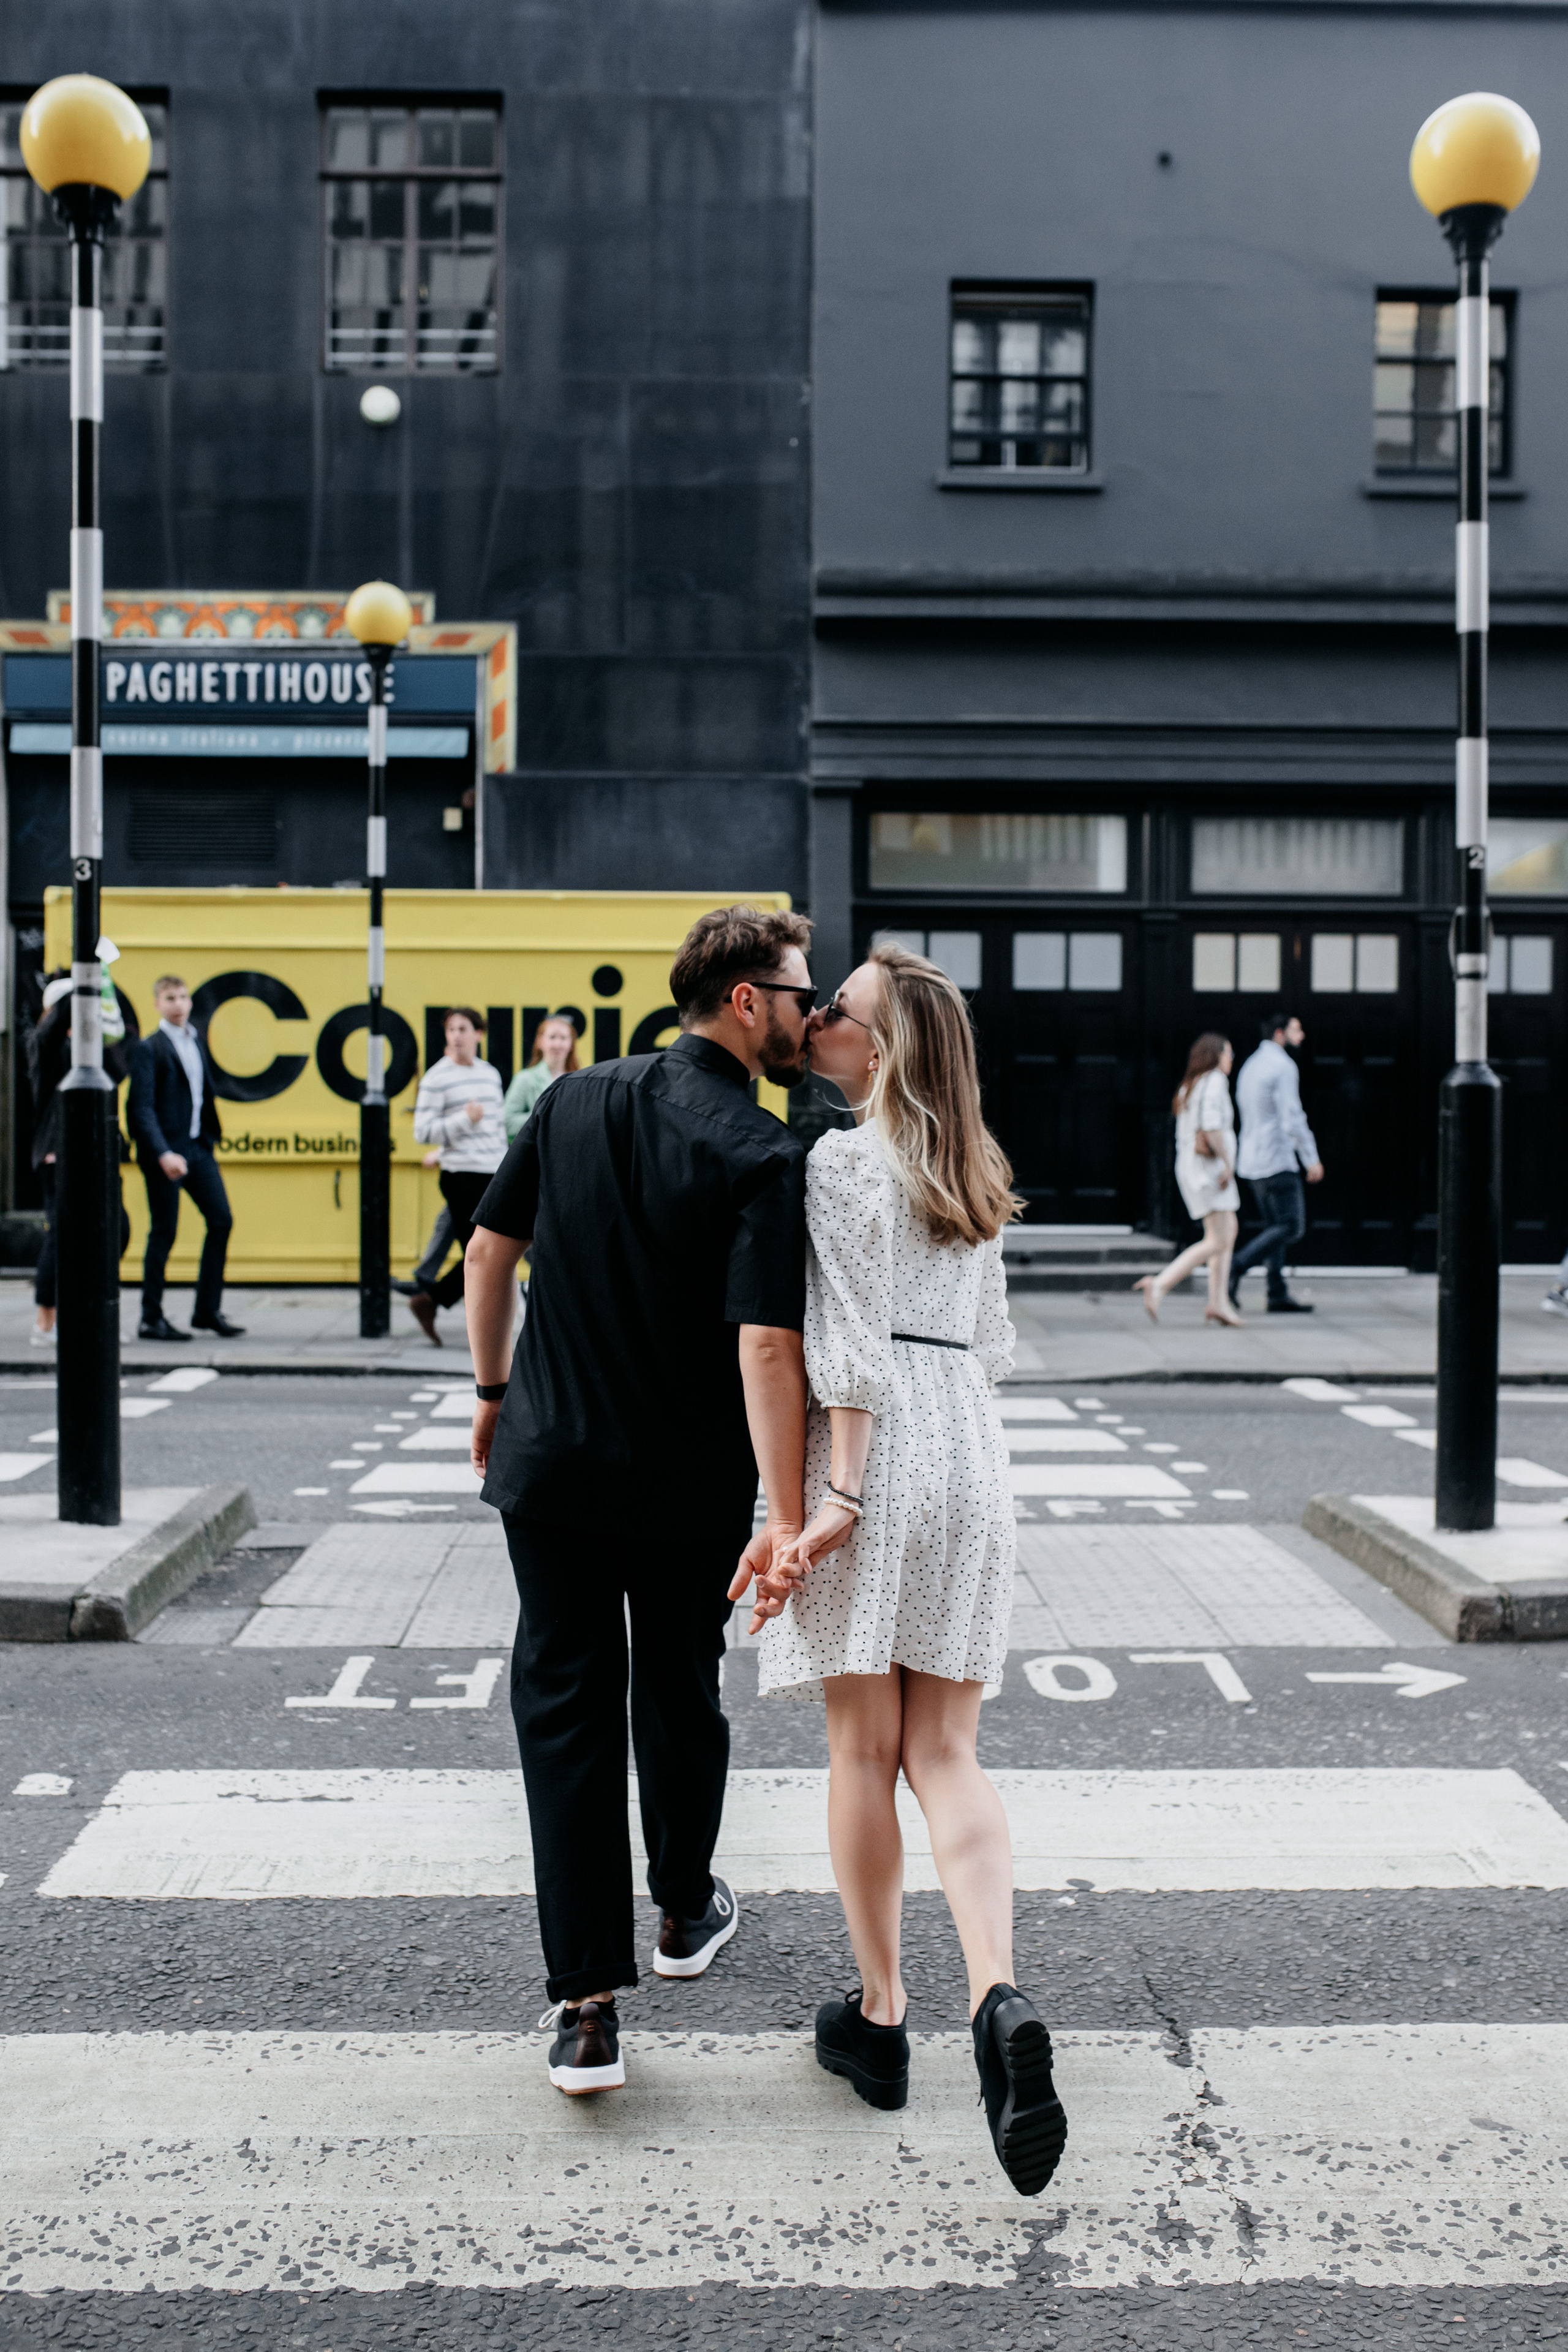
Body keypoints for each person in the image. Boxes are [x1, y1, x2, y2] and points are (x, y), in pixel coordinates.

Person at [734, 941, 1069, 2201]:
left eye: (839, 1010)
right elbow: (984, 1343)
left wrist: (836, 1499)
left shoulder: (839, 1162)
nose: (816, 1017)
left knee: (860, 1752)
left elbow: (848, 1353)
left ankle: (880, 2018)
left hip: (877, 1454)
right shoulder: (970, 1169)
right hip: (973, 1453)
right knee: (951, 1754)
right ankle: (996, 1990)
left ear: (875, 1050)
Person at [462, 903, 815, 2097]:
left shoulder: (568, 1102)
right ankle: (679, 1915)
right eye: (799, 993)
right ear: (745, 1003)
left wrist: (490, 1388)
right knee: (675, 1685)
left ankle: (583, 2010)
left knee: (561, 1706)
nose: (809, 1013)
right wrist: (781, 1511)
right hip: (685, 1480)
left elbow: (487, 1250)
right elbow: (767, 1345)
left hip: (550, 1461)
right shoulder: (761, 1152)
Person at [24, 959, 138, 1346]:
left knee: (115, 1230)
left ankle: (94, 1309)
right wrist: (80, 986)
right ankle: (46, 1321)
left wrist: (105, 994)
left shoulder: (92, 1051)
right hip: (58, 1152)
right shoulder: (46, 1047)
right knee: (62, 1235)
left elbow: (122, 1064)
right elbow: (50, 1034)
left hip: (98, 1152)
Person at [128, 974, 241, 1342]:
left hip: (196, 1147)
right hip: (166, 1153)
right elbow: (140, 1109)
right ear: (158, 1005)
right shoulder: (150, 1048)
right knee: (164, 1231)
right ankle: (151, 1318)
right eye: (169, 998)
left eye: (182, 997)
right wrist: (163, 1153)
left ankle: (207, 1311)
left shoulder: (195, 1040)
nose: (178, 1004)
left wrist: (207, 1139)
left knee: (221, 1220)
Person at [407, 1007, 507, 1345]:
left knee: (485, 1255)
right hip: (461, 1175)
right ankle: (486, 1333)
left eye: (464, 1029)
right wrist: (464, 1120)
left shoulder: (490, 1074)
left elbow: (497, 1129)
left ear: (479, 1034)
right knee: (483, 1258)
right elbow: (423, 1132)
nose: (456, 1036)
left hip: (492, 1172)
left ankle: (430, 1300)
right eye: (451, 1030)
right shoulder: (437, 1078)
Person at [1134, 1033, 1243, 1327]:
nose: (1231, 1059)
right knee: (1219, 1238)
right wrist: (1228, 1164)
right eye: (1228, 1053)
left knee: (1227, 1232)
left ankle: (1218, 1302)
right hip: (1210, 1170)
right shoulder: (1215, 1081)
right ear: (1216, 1055)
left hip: (1194, 1168)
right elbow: (1211, 1126)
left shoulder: (1191, 1085)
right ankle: (1159, 1284)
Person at [1227, 1012, 1325, 1316]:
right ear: (1280, 1034)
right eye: (1297, 1030)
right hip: (1276, 1159)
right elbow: (1292, 1117)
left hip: (1252, 1159)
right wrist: (1311, 1158)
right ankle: (1237, 1265)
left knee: (1274, 1227)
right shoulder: (1283, 1066)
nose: (1302, 1036)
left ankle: (1276, 1292)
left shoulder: (1251, 1064)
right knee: (1290, 1226)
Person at [503, 1014, 580, 1141]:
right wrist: (544, 1116)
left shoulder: (580, 1080)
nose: (557, 1044)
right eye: (552, 1037)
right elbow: (507, 1123)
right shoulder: (525, 1079)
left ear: (571, 1044)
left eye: (563, 1038)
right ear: (540, 1042)